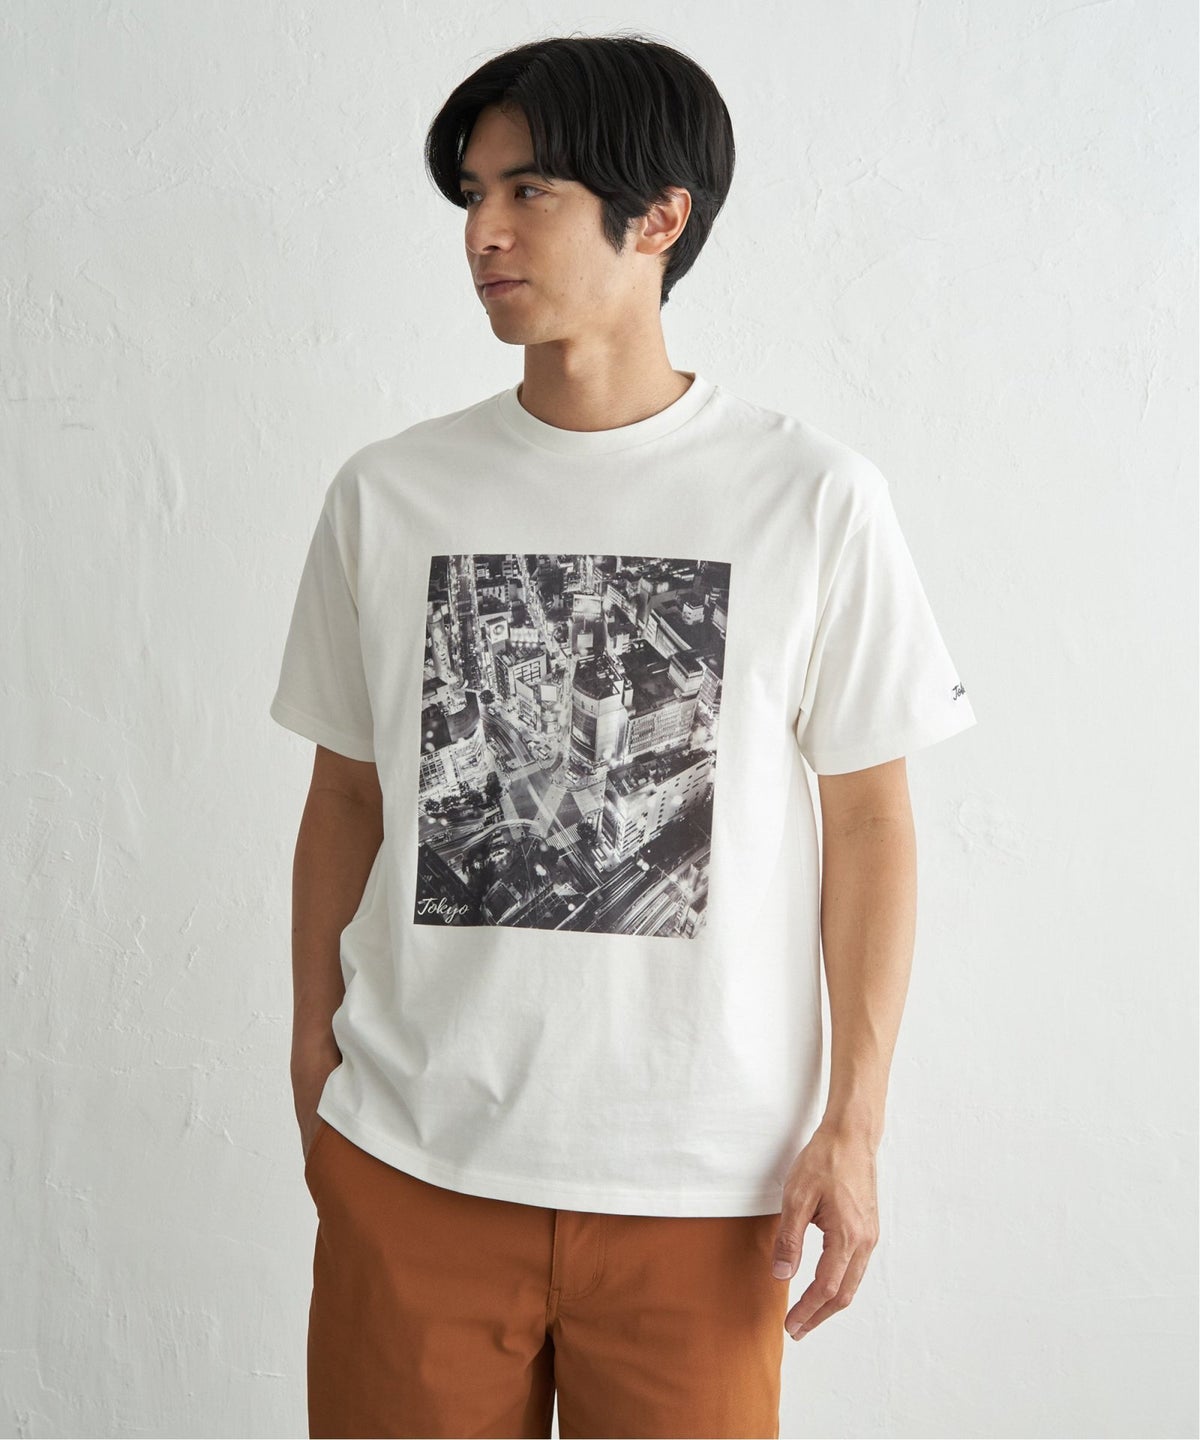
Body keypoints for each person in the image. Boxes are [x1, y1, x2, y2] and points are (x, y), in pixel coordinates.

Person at [269, 32, 978, 1440]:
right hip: (415, 1160)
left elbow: (871, 820)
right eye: (473, 195)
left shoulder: (811, 498)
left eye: (527, 191)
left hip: (704, 1191)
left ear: (659, 216)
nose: (482, 232)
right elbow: (346, 794)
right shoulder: (388, 495)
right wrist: (310, 1052)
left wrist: (856, 1123)